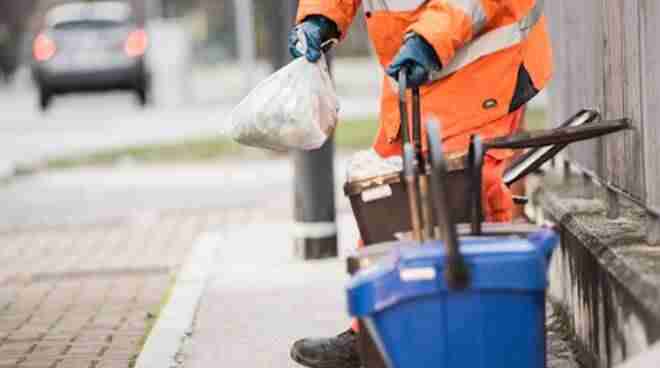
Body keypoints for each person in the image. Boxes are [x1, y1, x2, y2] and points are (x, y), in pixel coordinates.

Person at [288, 1, 552, 367]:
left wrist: (430, 39)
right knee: (387, 191)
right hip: (417, 67)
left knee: (466, 191)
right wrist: (320, 18)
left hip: (483, 65)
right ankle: (377, 334)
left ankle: (485, 331)